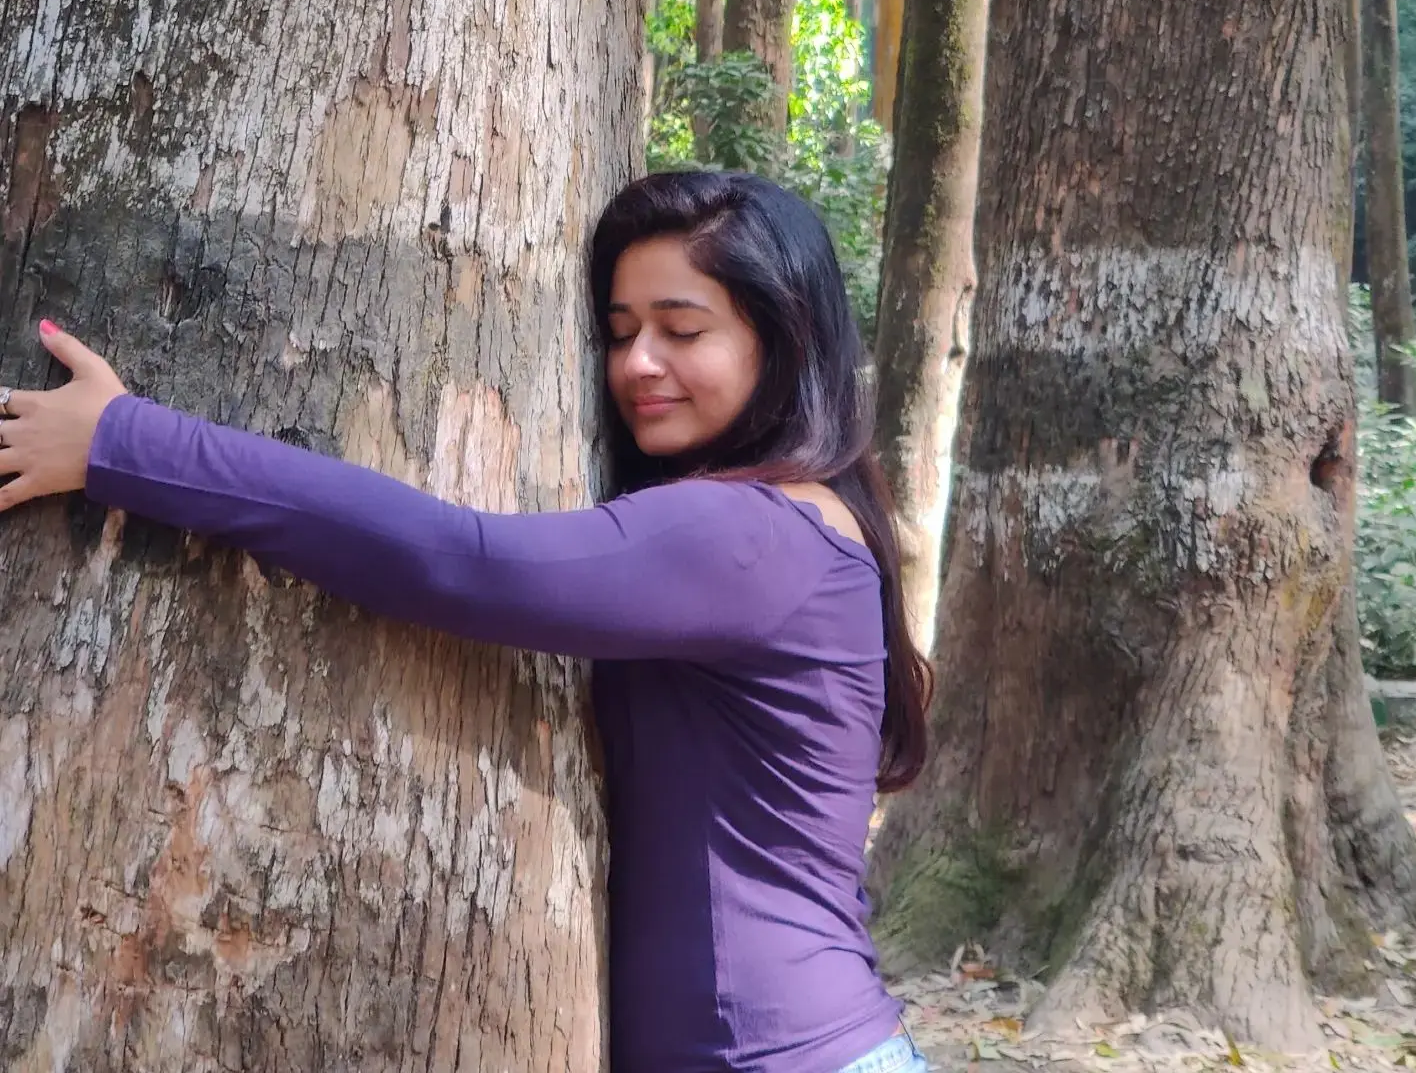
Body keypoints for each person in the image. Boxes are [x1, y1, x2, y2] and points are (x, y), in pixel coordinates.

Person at [0, 169, 932, 1073]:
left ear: (785, 340)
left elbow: (456, 560)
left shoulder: (753, 534)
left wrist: (126, 443)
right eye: (619, 331)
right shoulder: (797, 525)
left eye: (682, 329)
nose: (637, 363)